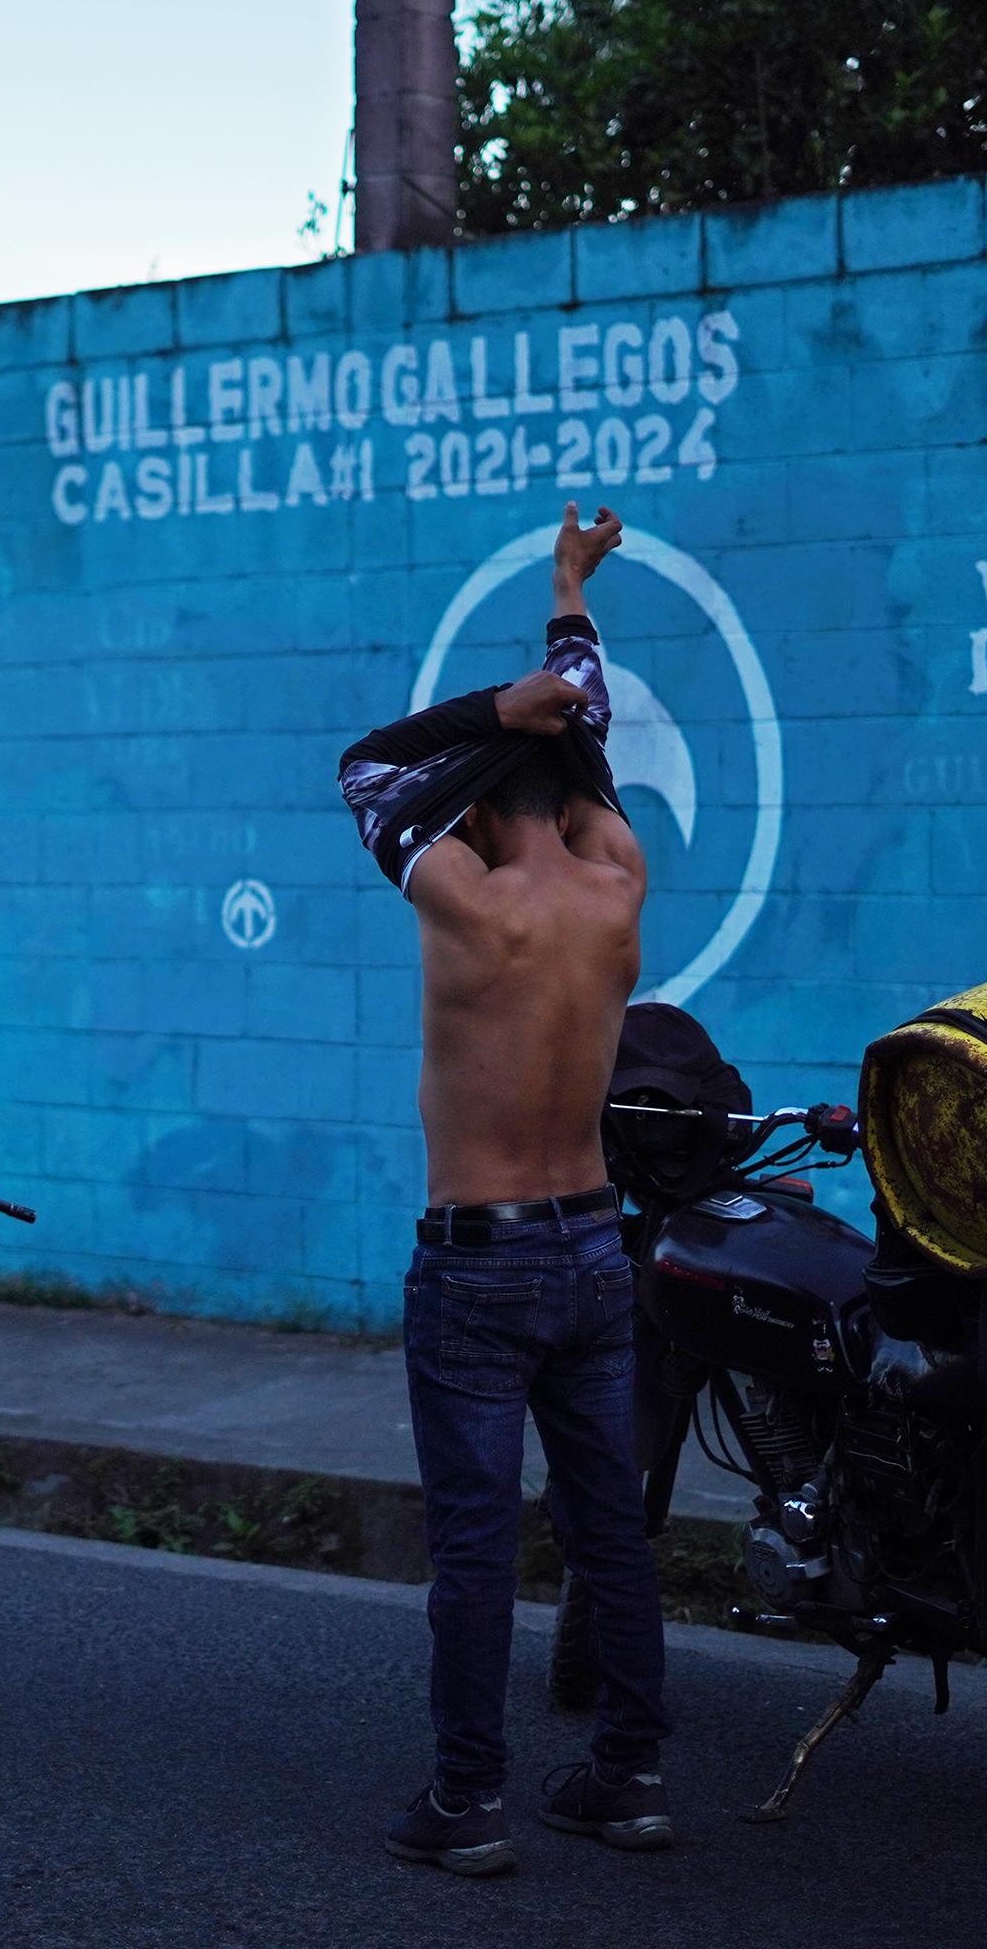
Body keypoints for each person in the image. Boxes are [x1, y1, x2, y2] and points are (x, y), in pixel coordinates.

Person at [338, 505, 672, 1874]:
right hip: (597, 1247)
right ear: (577, 797)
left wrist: (497, 703)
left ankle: (469, 1804)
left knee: (478, 1549)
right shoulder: (619, 879)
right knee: (610, 1533)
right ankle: (634, 1776)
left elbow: (367, 765)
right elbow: (587, 729)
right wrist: (567, 598)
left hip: (479, 1262)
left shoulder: (461, 896)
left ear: (469, 807)